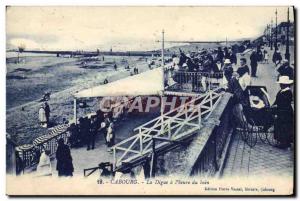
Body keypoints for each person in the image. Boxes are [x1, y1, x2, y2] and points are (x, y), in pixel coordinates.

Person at [272, 76, 294, 149]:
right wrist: (273, 104)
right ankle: (285, 142)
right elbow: (277, 100)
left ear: (285, 84)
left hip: (285, 113)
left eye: (281, 84)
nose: (280, 85)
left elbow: (284, 104)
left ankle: (284, 144)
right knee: (282, 127)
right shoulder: (282, 91)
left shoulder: (287, 93)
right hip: (283, 111)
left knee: (284, 128)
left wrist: (276, 107)